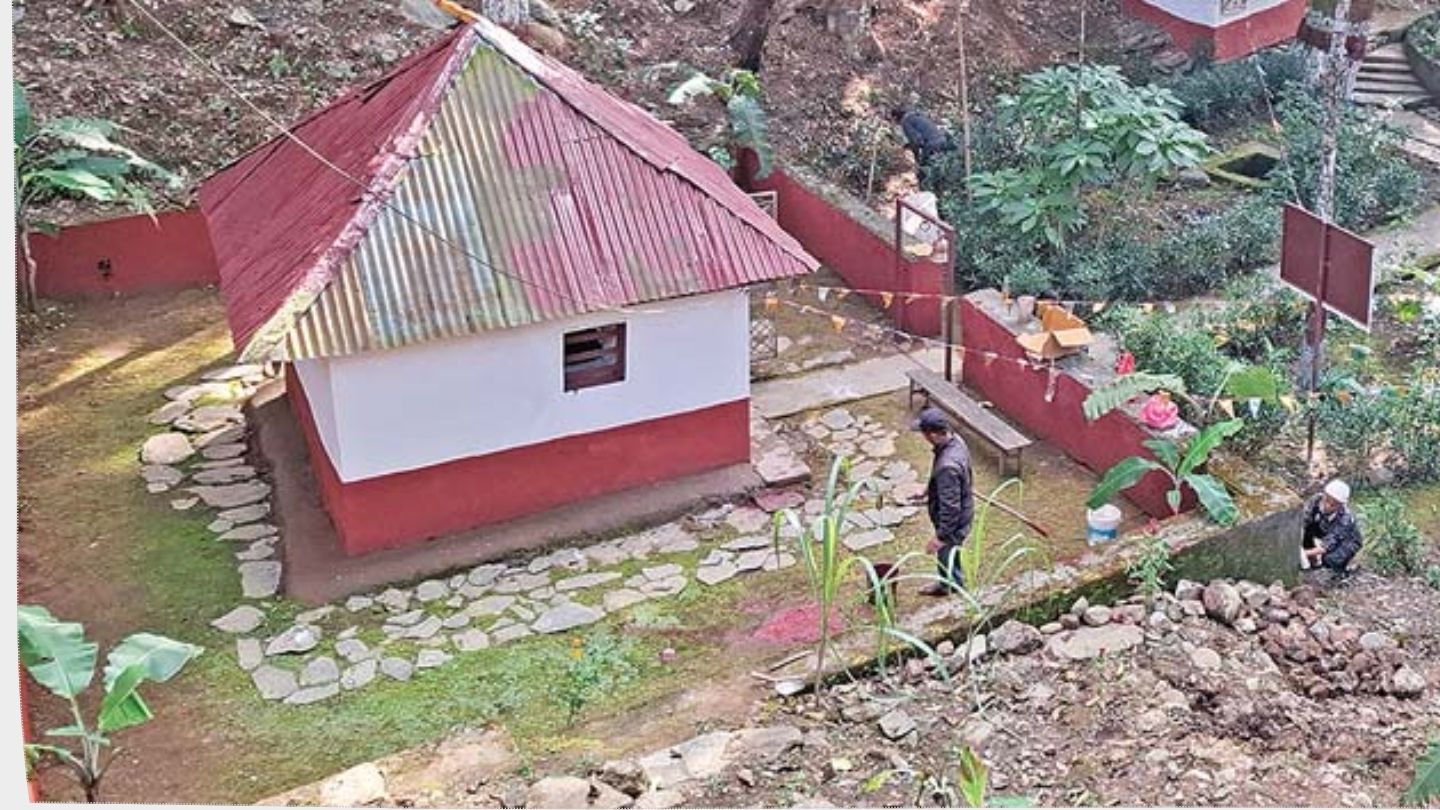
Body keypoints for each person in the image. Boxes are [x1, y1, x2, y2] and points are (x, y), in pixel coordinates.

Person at [910, 407, 974, 596]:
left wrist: (940, 537)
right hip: (962, 507)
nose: (924, 437)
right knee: (948, 554)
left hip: (955, 522)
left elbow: (951, 509)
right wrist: (927, 490)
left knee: (946, 554)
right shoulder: (955, 442)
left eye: (925, 434)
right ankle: (947, 584)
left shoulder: (948, 466)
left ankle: (954, 590)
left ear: (934, 435)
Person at [1301, 479, 1363, 576]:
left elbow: (1327, 545)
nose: (1328, 506)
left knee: (1330, 560)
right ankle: (1311, 561)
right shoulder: (1316, 500)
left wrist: (1304, 554)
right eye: (1327, 500)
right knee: (1306, 531)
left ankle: (1339, 572)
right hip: (1323, 527)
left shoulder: (1345, 518)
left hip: (1347, 541)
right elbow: (1303, 521)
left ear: (1341, 505)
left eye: (1333, 504)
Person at [890, 106, 955, 184]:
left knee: (923, 172)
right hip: (942, 140)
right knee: (940, 168)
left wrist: (916, 158)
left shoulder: (906, 122)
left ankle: (926, 189)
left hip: (932, 145)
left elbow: (916, 141)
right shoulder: (917, 115)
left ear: (896, 118)